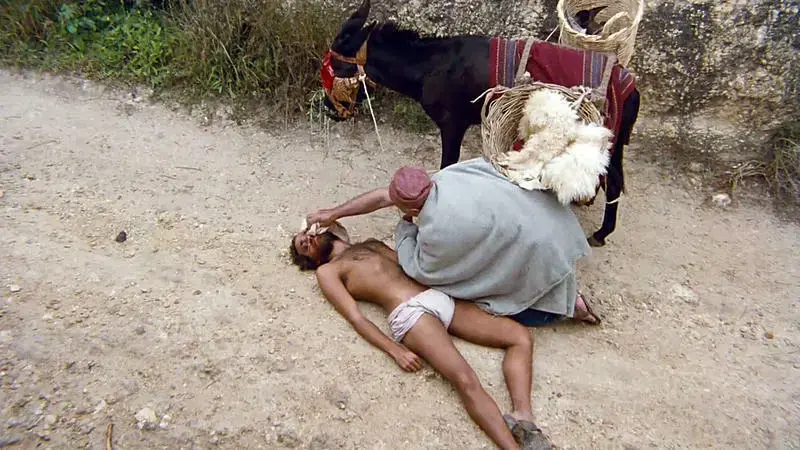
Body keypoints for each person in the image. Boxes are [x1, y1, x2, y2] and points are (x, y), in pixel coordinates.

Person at [289, 228, 554, 450]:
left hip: (438, 295)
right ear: (310, 261)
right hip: (411, 312)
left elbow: (411, 264)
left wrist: (321, 221)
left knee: (519, 337)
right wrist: (395, 350)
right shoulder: (328, 271)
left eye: (309, 234)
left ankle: (523, 416)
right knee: (465, 378)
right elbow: (356, 317)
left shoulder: (370, 243)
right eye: (304, 245)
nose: (310, 238)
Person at [305, 157, 601, 328]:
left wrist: (404, 228)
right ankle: (572, 299)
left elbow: (425, 271)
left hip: (534, 243)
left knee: (488, 293)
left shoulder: (438, 230)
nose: (309, 239)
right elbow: (385, 197)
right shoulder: (450, 175)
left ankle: (568, 307)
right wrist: (333, 213)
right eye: (304, 244)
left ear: (410, 208)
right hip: (547, 216)